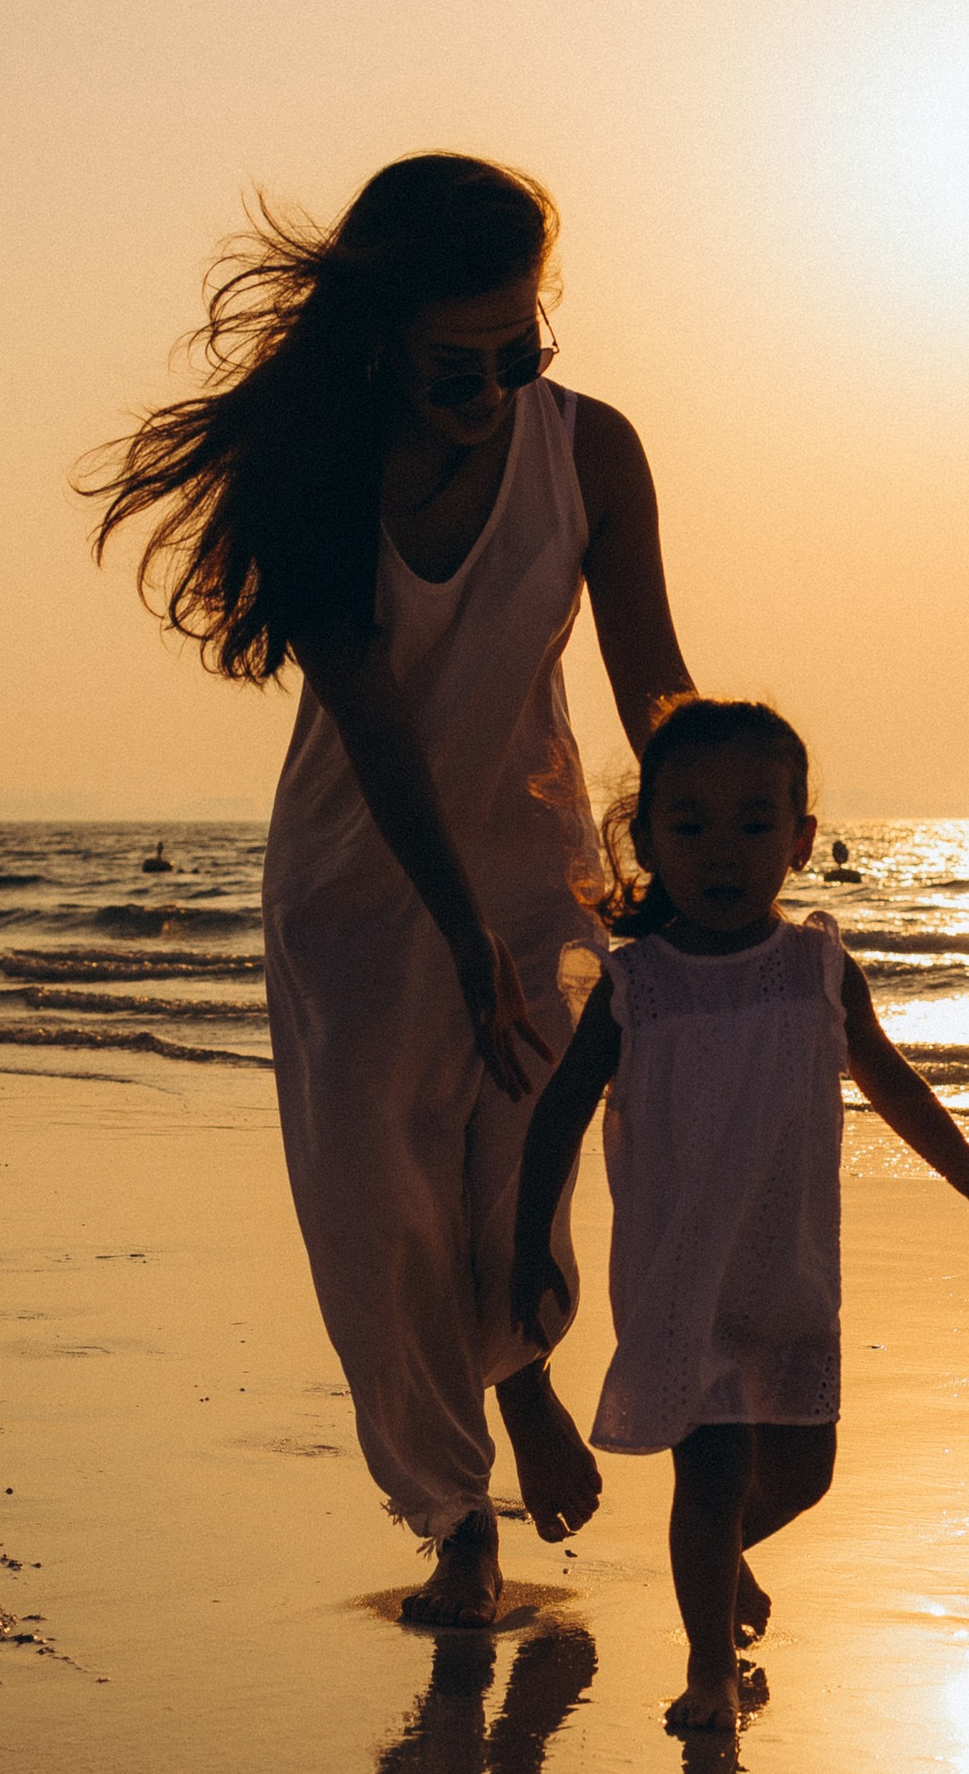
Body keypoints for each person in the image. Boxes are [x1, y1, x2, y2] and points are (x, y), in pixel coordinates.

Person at [87, 154, 693, 1625]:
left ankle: (527, 1374)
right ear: (379, 336)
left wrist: (711, 843)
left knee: (521, 1171)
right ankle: (449, 1514)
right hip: (363, 882)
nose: (491, 388)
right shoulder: (319, 469)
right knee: (387, 1210)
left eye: (520, 350)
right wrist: (456, 930)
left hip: (538, 863)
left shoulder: (592, 453)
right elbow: (374, 725)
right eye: (454, 363)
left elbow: (652, 678)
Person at [509, 698, 969, 1735]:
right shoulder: (639, 987)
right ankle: (709, 1670)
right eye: (692, 826)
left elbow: (892, 1085)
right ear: (648, 839)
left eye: (755, 826)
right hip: (680, 1278)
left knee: (803, 1472)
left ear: (800, 840)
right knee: (709, 1470)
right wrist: (530, 1240)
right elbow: (558, 1115)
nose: (723, 852)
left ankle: (717, 1571)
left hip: (789, 1278)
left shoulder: (815, 970)